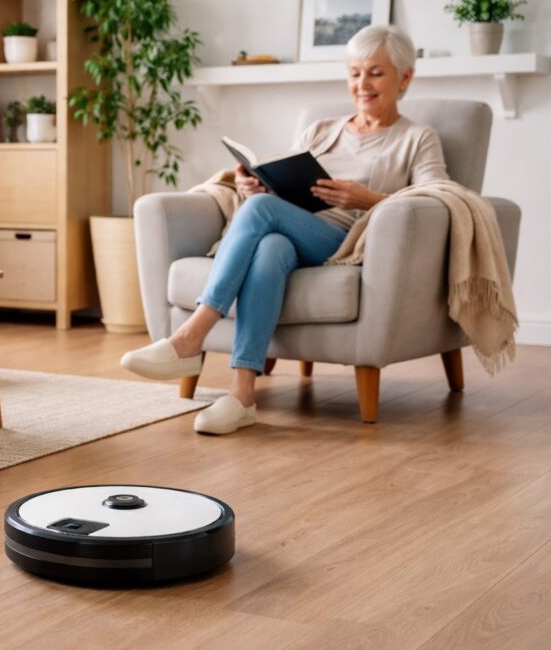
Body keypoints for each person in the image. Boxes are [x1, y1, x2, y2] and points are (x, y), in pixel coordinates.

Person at [121, 24, 449, 435]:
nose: (361, 84)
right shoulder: (322, 131)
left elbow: (438, 200)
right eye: (354, 72)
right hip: (294, 231)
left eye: (376, 73)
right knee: (271, 245)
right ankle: (242, 396)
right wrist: (256, 186)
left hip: (346, 242)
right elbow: (287, 188)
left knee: (262, 212)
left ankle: (190, 337)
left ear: (405, 78)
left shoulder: (418, 139)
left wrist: (364, 199)